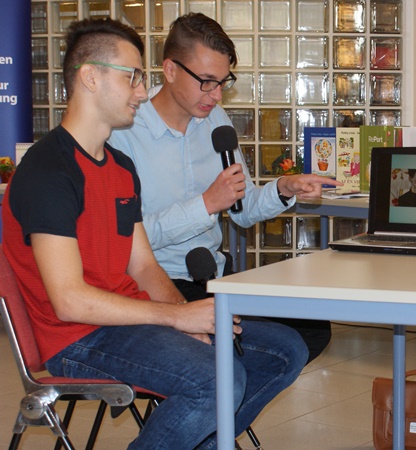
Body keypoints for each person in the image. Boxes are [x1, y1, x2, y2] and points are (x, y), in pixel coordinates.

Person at [2, 18, 308, 449]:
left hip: (127, 318)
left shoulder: (119, 167)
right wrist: (176, 318)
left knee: (285, 350)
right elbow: (70, 301)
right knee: (216, 379)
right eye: (132, 78)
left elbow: (144, 266)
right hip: (77, 336)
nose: (142, 93)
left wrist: (187, 316)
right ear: (90, 77)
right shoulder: (48, 170)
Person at [107, 13, 338, 363]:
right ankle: (217, 389)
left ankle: (226, 394)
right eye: (206, 82)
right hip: (154, 284)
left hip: (213, 276)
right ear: (170, 70)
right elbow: (126, 242)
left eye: (223, 82)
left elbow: (242, 210)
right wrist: (205, 205)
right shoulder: (125, 132)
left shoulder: (215, 119)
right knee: (266, 346)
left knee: (312, 328)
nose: (216, 95)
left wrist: (285, 188)